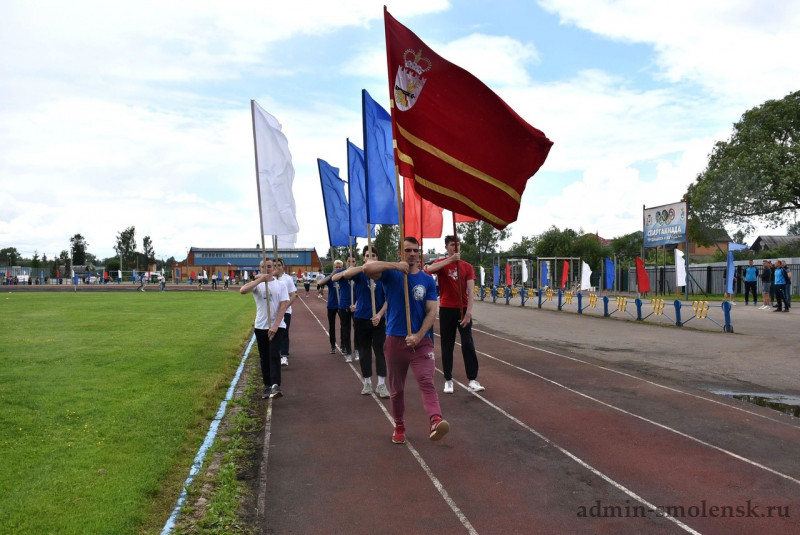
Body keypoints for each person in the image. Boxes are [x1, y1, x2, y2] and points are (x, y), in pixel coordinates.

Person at [363, 236, 449, 444]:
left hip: (421, 342)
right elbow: (367, 268)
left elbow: (431, 311)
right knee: (396, 389)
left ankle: (436, 420)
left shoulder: (427, 280)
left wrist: (419, 335)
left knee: (427, 381)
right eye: (408, 250)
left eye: (415, 251)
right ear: (401, 253)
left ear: (420, 254)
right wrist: (396, 266)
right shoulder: (391, 275)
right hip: (395, 340)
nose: (412, 254)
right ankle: (399, 425)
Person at [426, 235, 485, 394]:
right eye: (452, 245)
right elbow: (428, 270)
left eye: (458, 244)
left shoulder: (467, 266)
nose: (456, 247)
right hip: (446, 309)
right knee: (447, 345)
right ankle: (448, 380)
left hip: (463, 309)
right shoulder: (442, 264)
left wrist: (468, 314)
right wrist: (450, 260)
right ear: (447, 247)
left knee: (468, 344)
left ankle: (472, 379)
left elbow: (471, 291)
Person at [334, 246, 389, 397]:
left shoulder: (384, 275)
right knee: (364, 351)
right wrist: (362, 267)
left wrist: (379, 315)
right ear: (363, 258)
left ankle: (382, 384)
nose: (370, 257)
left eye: (373, 255)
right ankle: (367, 382)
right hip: (361, 318)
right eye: (367, 255)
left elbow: (388, 299)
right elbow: (346, 274)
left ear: (377, 257)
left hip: (378, 320)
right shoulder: (360, 274)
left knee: (380, 351)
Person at [240, 258, 290, 399]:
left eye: (269, 266)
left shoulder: (281, 285)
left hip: (277, 326)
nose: (267, 269)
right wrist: (260, 280)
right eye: (264, 267)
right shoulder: (257, 285)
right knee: (264, 357)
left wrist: (275, 326)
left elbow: (283, 306)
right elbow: (243, 290)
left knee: (274, 354)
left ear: (273, 268)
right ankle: (267, 385)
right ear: (260, 268)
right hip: (261, 326)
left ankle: (275, 385)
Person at [274, 258, 298, 366]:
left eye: (279, 265)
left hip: (286, 311)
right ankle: (275, 353)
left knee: (284, 332)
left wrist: (284, 308)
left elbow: (293, 296)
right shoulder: (271, 278)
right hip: (273, 310)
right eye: (275, 265)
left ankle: (284, 355)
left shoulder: (287, 279)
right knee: (273, 332)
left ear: (283, 266)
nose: (277, 267)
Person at [319, 260, 344, 354]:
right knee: (332, 326)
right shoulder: (330, 278)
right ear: (334, 267)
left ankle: (343, 345)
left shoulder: (344, 277)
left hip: (342, 305)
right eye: (336, 267)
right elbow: (321, 283)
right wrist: (331, 275)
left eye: (339, 267)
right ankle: (333, 346)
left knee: (344, 326)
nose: (338, 269)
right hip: (331, 305)